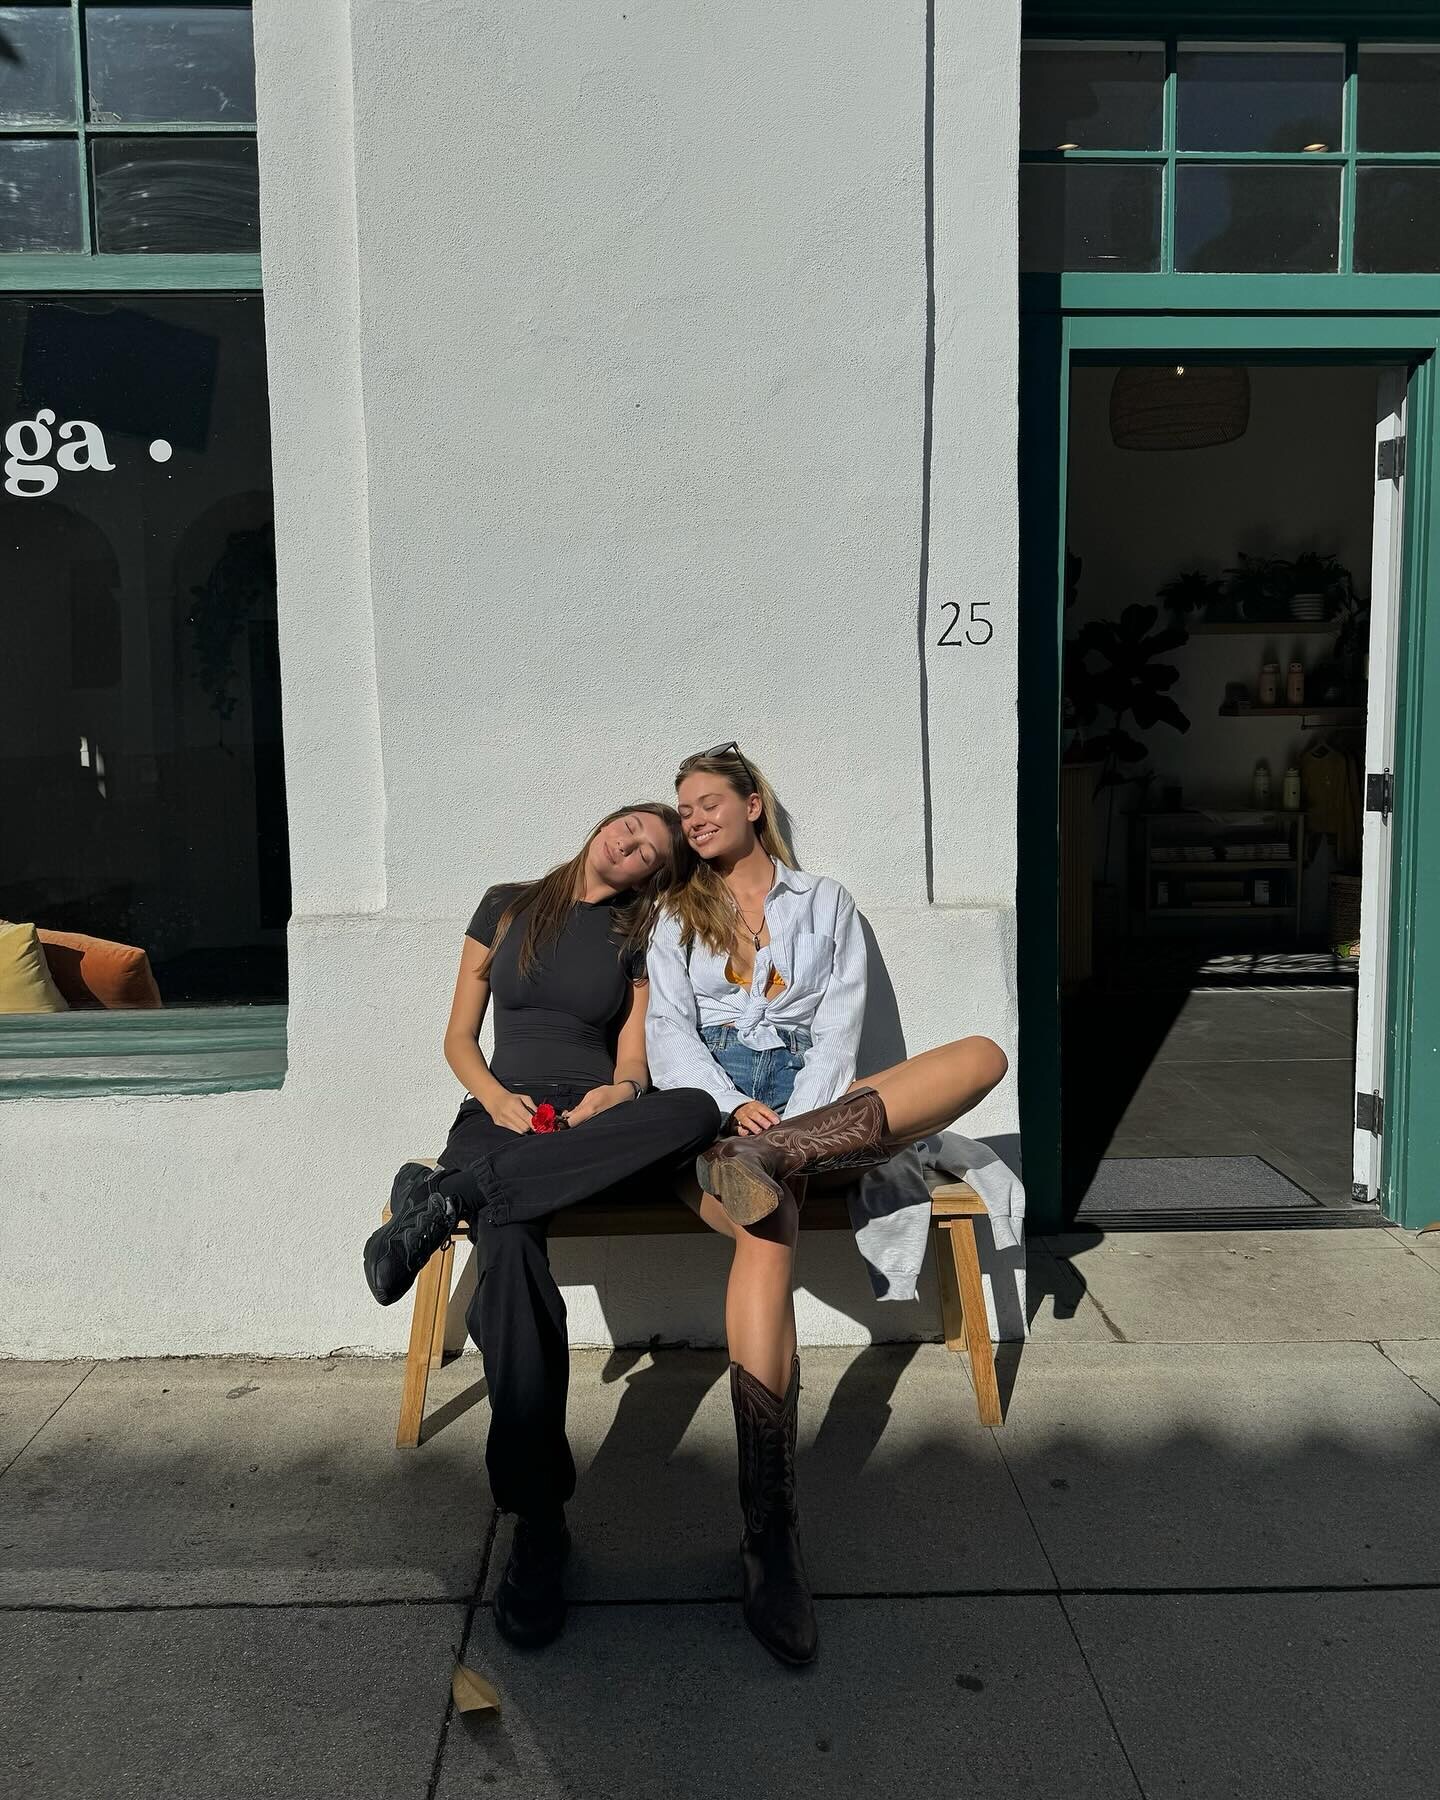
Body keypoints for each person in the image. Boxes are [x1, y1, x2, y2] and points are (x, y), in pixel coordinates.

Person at [644, 743, 1009, 1666]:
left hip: (818, 1109)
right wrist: (731, 1108)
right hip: (712, 1112)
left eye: (708, 801)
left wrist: (793, 1128)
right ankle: (770, 1535)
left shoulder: (827, 901)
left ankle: (771, 1158)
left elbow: (841, 1025)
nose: (693, 818)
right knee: (766, 1228)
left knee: (981, 1056)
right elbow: (668, 1032)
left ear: (753, 803)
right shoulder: (676, 912)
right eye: (683, 809)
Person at [362, 803, 721, 1651]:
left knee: (696, 1110)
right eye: (630, 828)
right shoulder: (506, 905)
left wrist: (616, 1097)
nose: (632, 845)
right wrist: (496, 1101)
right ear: (605, 825)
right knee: (511, 1246)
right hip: (499, 1118)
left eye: (651, 853)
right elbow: (459, 1037)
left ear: (652, 878)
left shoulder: (639, 933)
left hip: (589, 1128)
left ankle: (447, 1196)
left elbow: (632, 1057)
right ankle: (539, 1522)